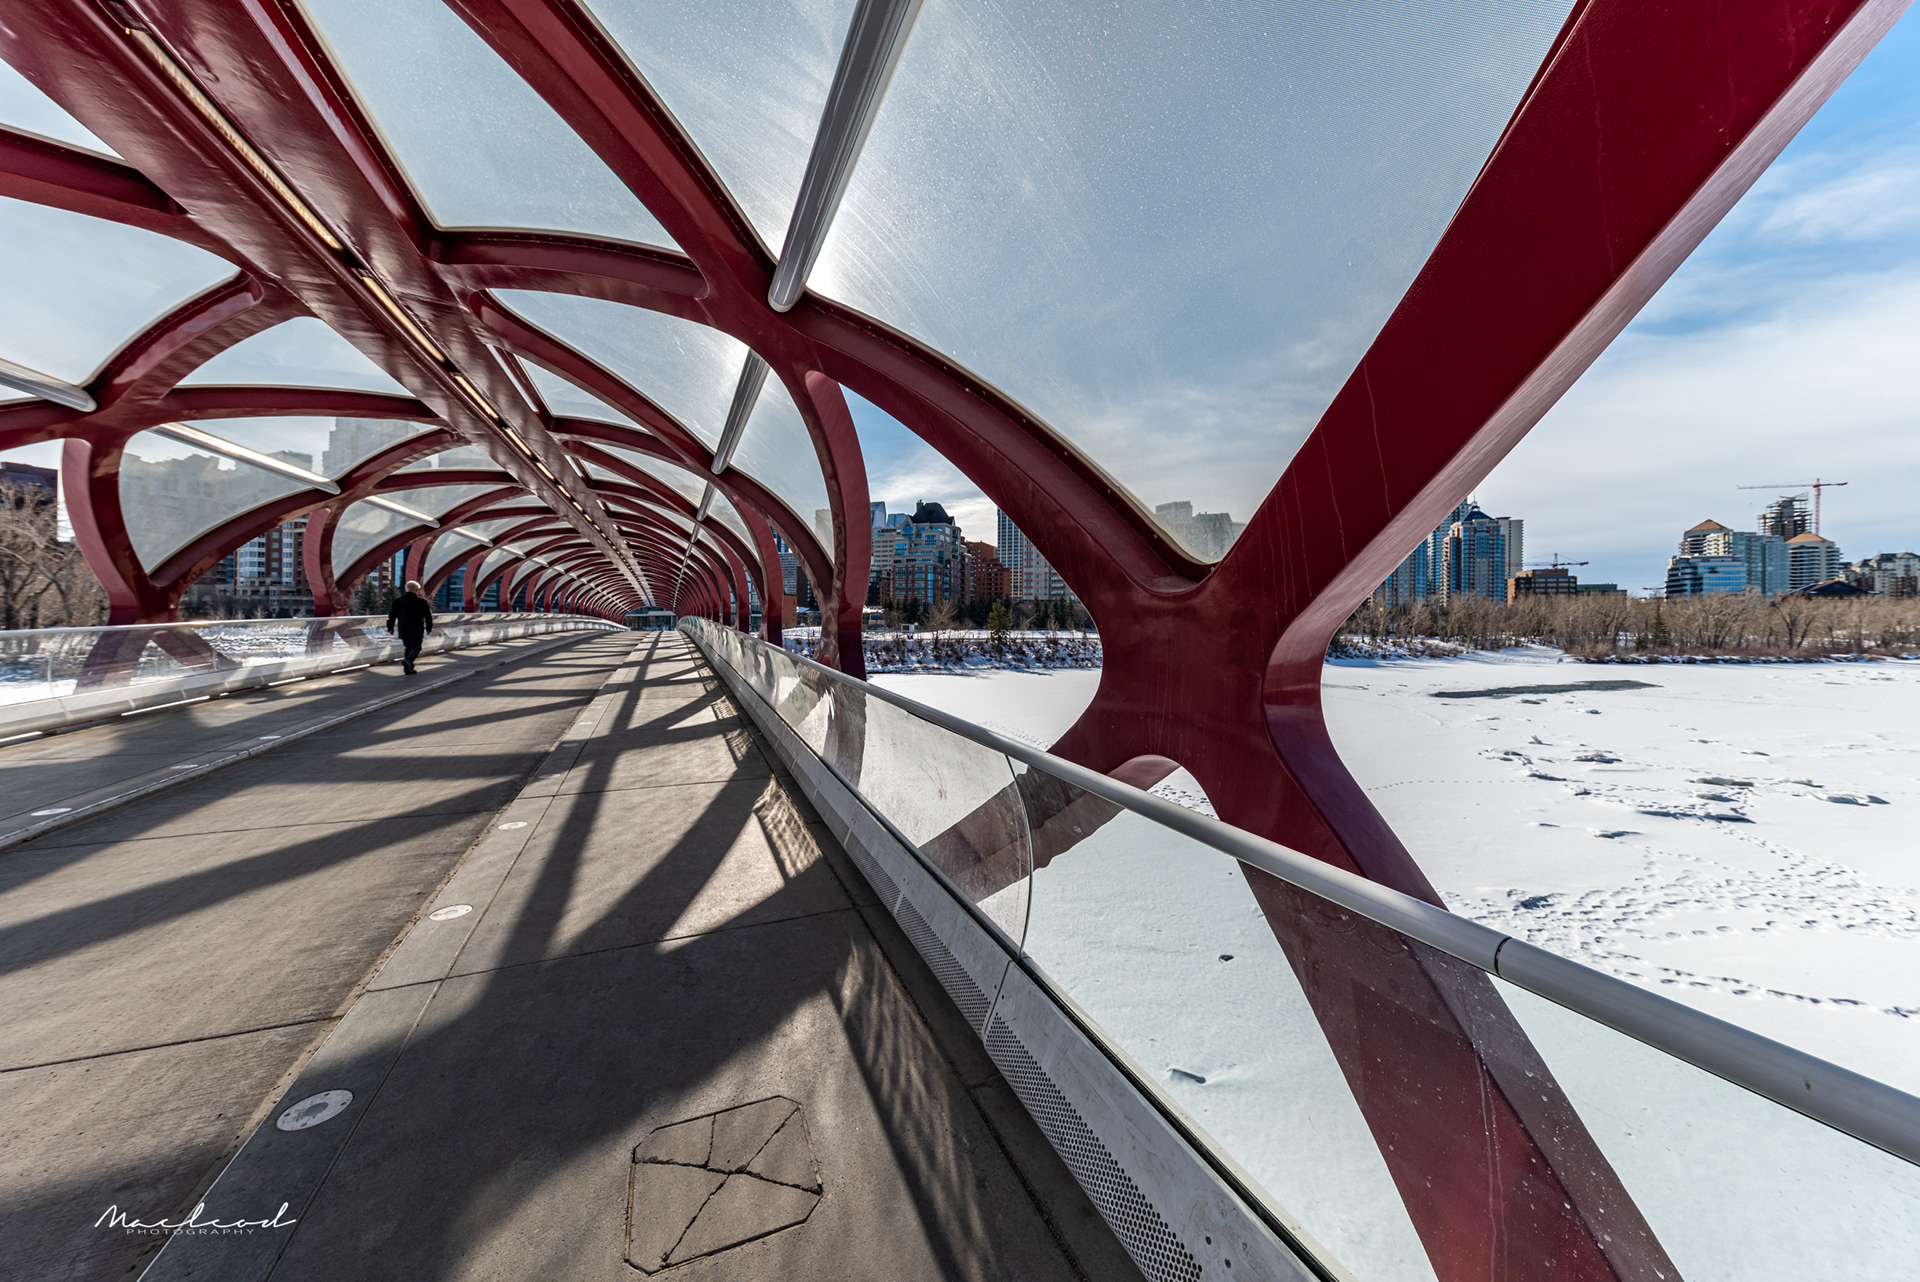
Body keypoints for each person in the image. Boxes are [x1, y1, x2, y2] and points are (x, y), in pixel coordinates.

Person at [386, 580, 434, 674]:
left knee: (408, 647)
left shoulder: (397, 601)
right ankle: (408, 661)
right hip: (416, 628)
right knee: (416, 647)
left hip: (403, 628)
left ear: (406, 589)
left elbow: (392, 616)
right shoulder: (421, 602)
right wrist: (429, 627)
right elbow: (428, 616)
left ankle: (409, 668)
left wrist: (390, 628)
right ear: (417, 590)